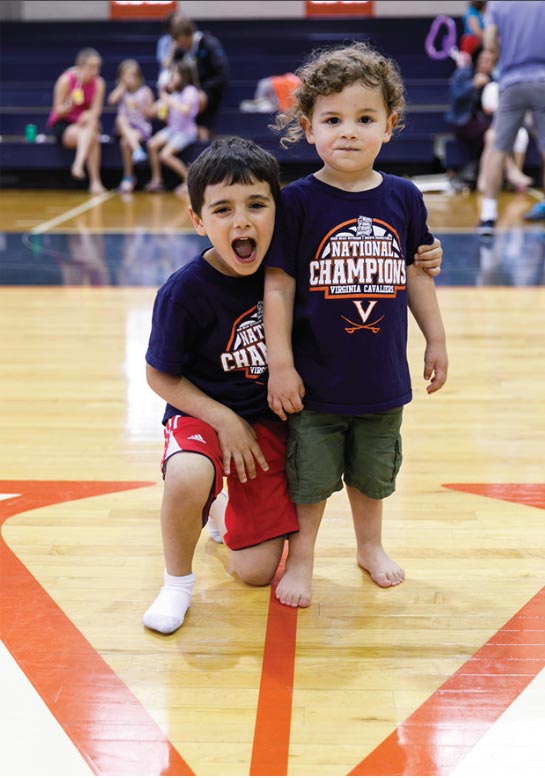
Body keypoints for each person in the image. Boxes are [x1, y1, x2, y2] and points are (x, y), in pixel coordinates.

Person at [142, 136, 445, 633]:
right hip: (204, 415)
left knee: (257, 572)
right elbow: (159, 374)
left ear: (278, 213)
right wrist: (223, 419)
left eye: (257, 205)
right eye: (222, 210)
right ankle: (176, 581)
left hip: (270, 422)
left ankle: (220, 509)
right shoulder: (184, 291)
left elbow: (372, 256)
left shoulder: (298, 265)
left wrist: (427, 254)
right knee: (188, 477)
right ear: (198, 220)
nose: (241, 221)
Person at [263, 42, 449, 609]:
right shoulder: (295, 202)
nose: (349, 132)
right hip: (315, 382)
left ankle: (370, 547)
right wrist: (282, 364)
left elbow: (417, 274)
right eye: (333, 119)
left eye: (365, 119)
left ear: (388, 127)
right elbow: (278, 285)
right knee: (311, 480)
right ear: (308, 127)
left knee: (373, 477)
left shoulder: (404, 196)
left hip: (381, 377)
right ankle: (304, 558)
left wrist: (436, 338)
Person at [477, 0, 545, 234]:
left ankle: (488, 216)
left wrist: (500, 53)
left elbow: (490, 44)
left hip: (511, 81)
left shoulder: (498, 4)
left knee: (499, 147)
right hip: (543, 81)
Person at [446, 44, 532, 192]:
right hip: (463, 122)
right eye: (483, 59)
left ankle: (484, 181)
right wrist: (473, 85)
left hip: (485, 124)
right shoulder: (465, 73)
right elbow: (455, 97)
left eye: (490, 61)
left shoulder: (495, 79)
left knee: (493, 136)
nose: (487, 63)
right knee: (495, 133)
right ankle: (511, 172)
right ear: (476, 59)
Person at [47, 47, 106, 194]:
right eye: (91, 67)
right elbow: (58, 111)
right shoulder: (65, 80)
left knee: (92, 127)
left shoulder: (99, 83)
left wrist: (88, 115)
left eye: (98, 67)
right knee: (92, 135)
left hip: (86, 124)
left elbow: (96, 111)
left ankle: (79, 166)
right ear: (80, 67)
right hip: (65, 124)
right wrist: (71, 104)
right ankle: (94, 180)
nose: (95, 71)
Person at [168, 15, 229, 141]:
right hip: (187, 90)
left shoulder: (209, 44)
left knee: (197, 98)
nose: (178, 44)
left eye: (179, 40)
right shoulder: (180, 51)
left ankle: (200, 128)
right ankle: (178, 129)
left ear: (187, 35)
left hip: (209, 90)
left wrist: (202, 89)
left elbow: (222, 75)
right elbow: (172, 70)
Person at [145, 60, 200, 195]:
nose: (173, 76)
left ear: (184, 75)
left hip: (185, 132)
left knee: (165, 155)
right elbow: (160, 115)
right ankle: (157, 180)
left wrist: (168, 99)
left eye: (175, 73)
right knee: (152, 144)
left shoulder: (190, 91)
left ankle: (189, 181)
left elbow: (185, 110)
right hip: (172, 129)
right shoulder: (175, 93)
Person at [107, 59, 154, 194]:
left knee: (124, 143)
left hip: (140, 128)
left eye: (133, 75)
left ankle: (128, 177)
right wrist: (122, 87)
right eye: (126, 75)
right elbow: (111, 100)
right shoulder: (122, 92)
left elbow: (151, 113)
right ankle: (137, 150)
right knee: (120, 119)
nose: (130, 78)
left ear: (138, 76)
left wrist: (142, 107)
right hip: (124, 127)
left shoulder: (145, 91)